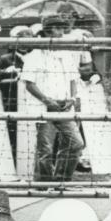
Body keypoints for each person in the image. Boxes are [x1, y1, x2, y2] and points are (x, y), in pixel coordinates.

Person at [20, 14, 87, 182]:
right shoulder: (35, 55)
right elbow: (29, 83)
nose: (60, 32)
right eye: (57, 28)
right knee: (45, 149)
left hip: (64, 106)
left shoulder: (66, 53)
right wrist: (46, 100)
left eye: (62, 28)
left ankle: (61, 180)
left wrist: (72, 97)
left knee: (76, 143)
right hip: (45, 106)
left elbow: (73, 78)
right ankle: (43, 184)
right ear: (47, 31)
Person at [0, 25, 34, 155]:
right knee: (13, 129)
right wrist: (7, 73)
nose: (24, 45)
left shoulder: (35, 57)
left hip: (32, 100)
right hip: (12, 100)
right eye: (21, 40)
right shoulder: (5, 59)